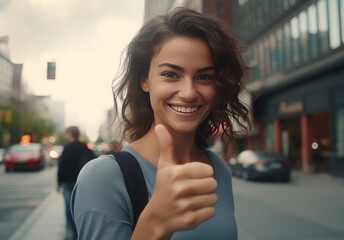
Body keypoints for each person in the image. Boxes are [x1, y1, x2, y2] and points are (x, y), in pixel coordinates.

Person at [71, 7, 250, 240]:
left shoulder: (218, 169)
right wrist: (155, 222)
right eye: (171, 74)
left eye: (204, 77)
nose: (188, 92)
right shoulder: (103, 177)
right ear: (145, 80)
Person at [57, 126, 95, 240]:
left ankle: (71, 231)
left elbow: (61, 165)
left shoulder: (67, 148)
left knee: (68, 207)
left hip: (68, 182)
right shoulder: (84, 147)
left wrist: (58, 181)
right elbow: (92, 160)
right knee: (80, 206)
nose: (66, 135)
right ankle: (79, 229)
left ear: (70, 134)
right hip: (81, 181)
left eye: (67, 133)